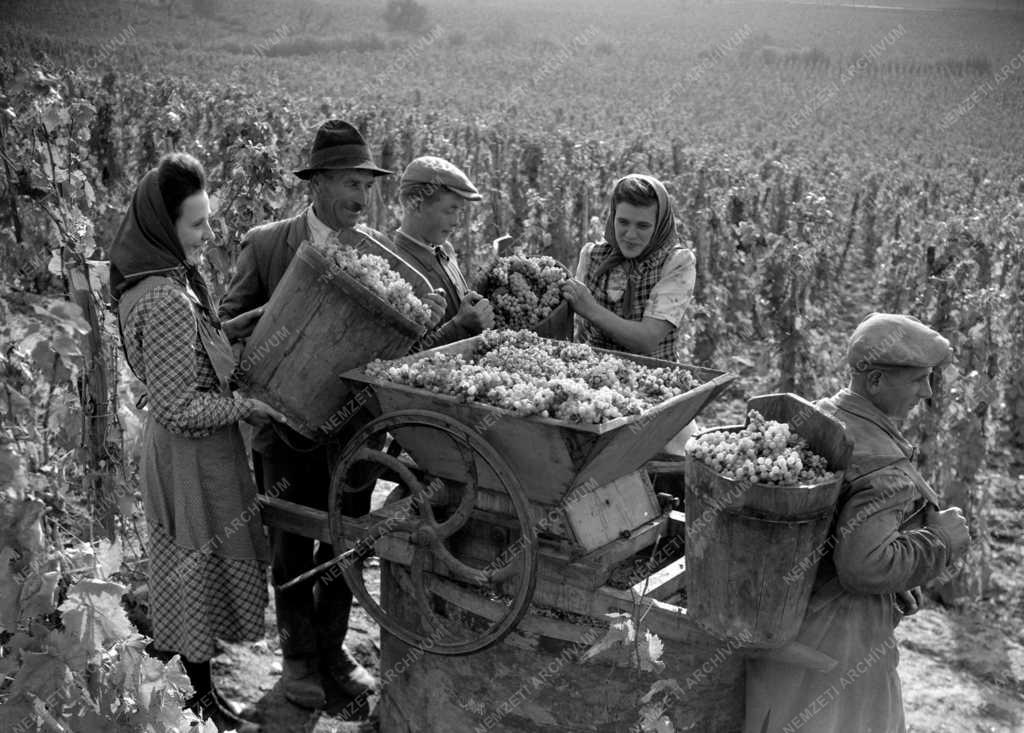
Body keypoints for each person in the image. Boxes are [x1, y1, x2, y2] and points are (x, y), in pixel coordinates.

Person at [218, 120, 442, 712]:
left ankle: (334, 650)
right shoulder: (268, 245)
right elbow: (225, 333)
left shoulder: (377, 255)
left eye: (366, 187)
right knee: (291, 547)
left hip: (352, 428)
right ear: (315, 183)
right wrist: (287, 312)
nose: (360, 199)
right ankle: (297, 660)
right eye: (349, 183)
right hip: (283, 430)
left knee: (344, 546)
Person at [111, 152, 286, 732]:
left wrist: (231, 328)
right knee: (194, 567)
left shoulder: (165, 280)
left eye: (209, 220)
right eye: (197, 224)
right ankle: (195, 702)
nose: (209, 235)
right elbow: (180, 407)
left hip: (195, 451)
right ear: (165, 226)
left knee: (196, 567)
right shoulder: (163, 299)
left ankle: (197, 695)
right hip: (191, 455)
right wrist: (247, 406)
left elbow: (185, 362)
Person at [745, 313, 971, 733]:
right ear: (876, 382)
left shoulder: (819, 416)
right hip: (841, 649)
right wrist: (939, 541)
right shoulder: (883, 468)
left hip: (787, 627)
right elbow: (864, 565)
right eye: (918, 379)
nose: (926, 392)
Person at [563, 173, 696, 362]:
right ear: (612, 217)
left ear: (659, 226)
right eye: (623, 222)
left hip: (650, 382)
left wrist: (590, 309)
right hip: (590, 375)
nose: (630, 235)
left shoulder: (676, 263)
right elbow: (578, 331)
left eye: (643, 226)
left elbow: (647, 339)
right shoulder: (592, 256)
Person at [383, 155, 494, 348]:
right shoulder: (394, 267)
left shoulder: (446, 251)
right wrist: (459, 326)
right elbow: (398, 359)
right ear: (417, 205)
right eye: (450, 210)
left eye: (460, 211)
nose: (456, 222)